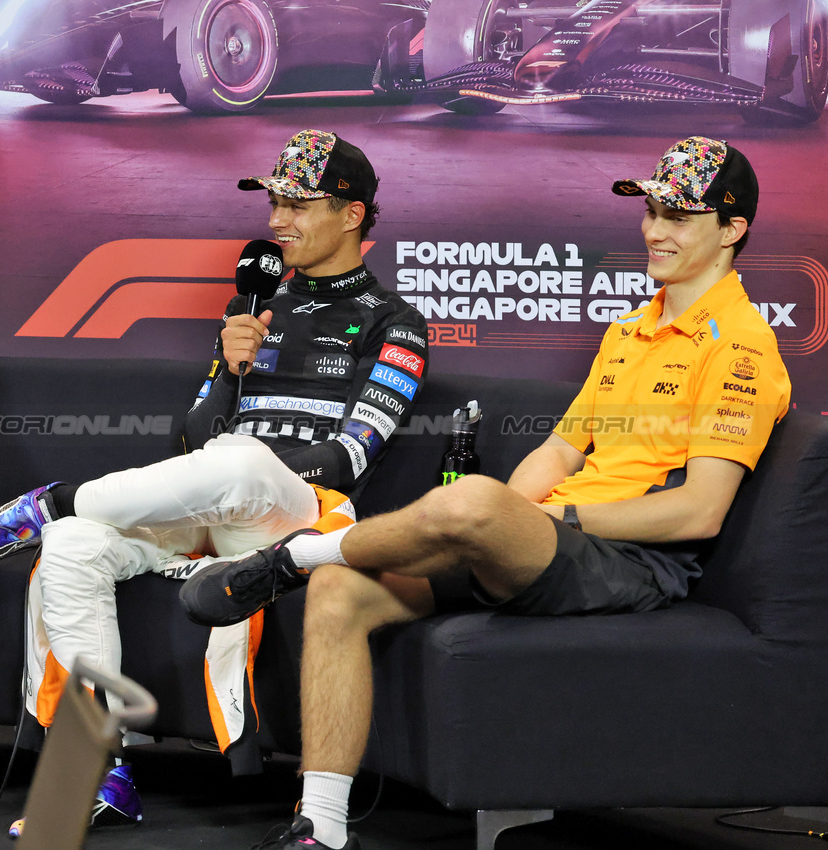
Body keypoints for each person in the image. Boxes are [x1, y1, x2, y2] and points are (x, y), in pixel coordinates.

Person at [180, 136, 792, 850]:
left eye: (677, 217)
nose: (653, 229)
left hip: (632, 561)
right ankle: (320, 827)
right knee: (344, 590)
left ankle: (290, 559)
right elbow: (560, 449)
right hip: (551, 543)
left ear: (731, 230)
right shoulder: (633, 328)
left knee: (473, 500)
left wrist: (536, 516)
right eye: (652, 210)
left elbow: (700, 510)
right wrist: (506, 521)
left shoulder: (742, 348)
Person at [0, 130, 430, 829]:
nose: (274, 219)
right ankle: (95, 770)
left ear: (351, 215)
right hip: (212, 505)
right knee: (75, 545)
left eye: (296, 202)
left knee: (238, 461)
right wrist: (229, 370)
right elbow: (194, 442)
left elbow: (349, 459)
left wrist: (245, 469)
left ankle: (45, 503)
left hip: (298, 517)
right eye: (272, 200)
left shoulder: (396, 324)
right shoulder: (248, 313)